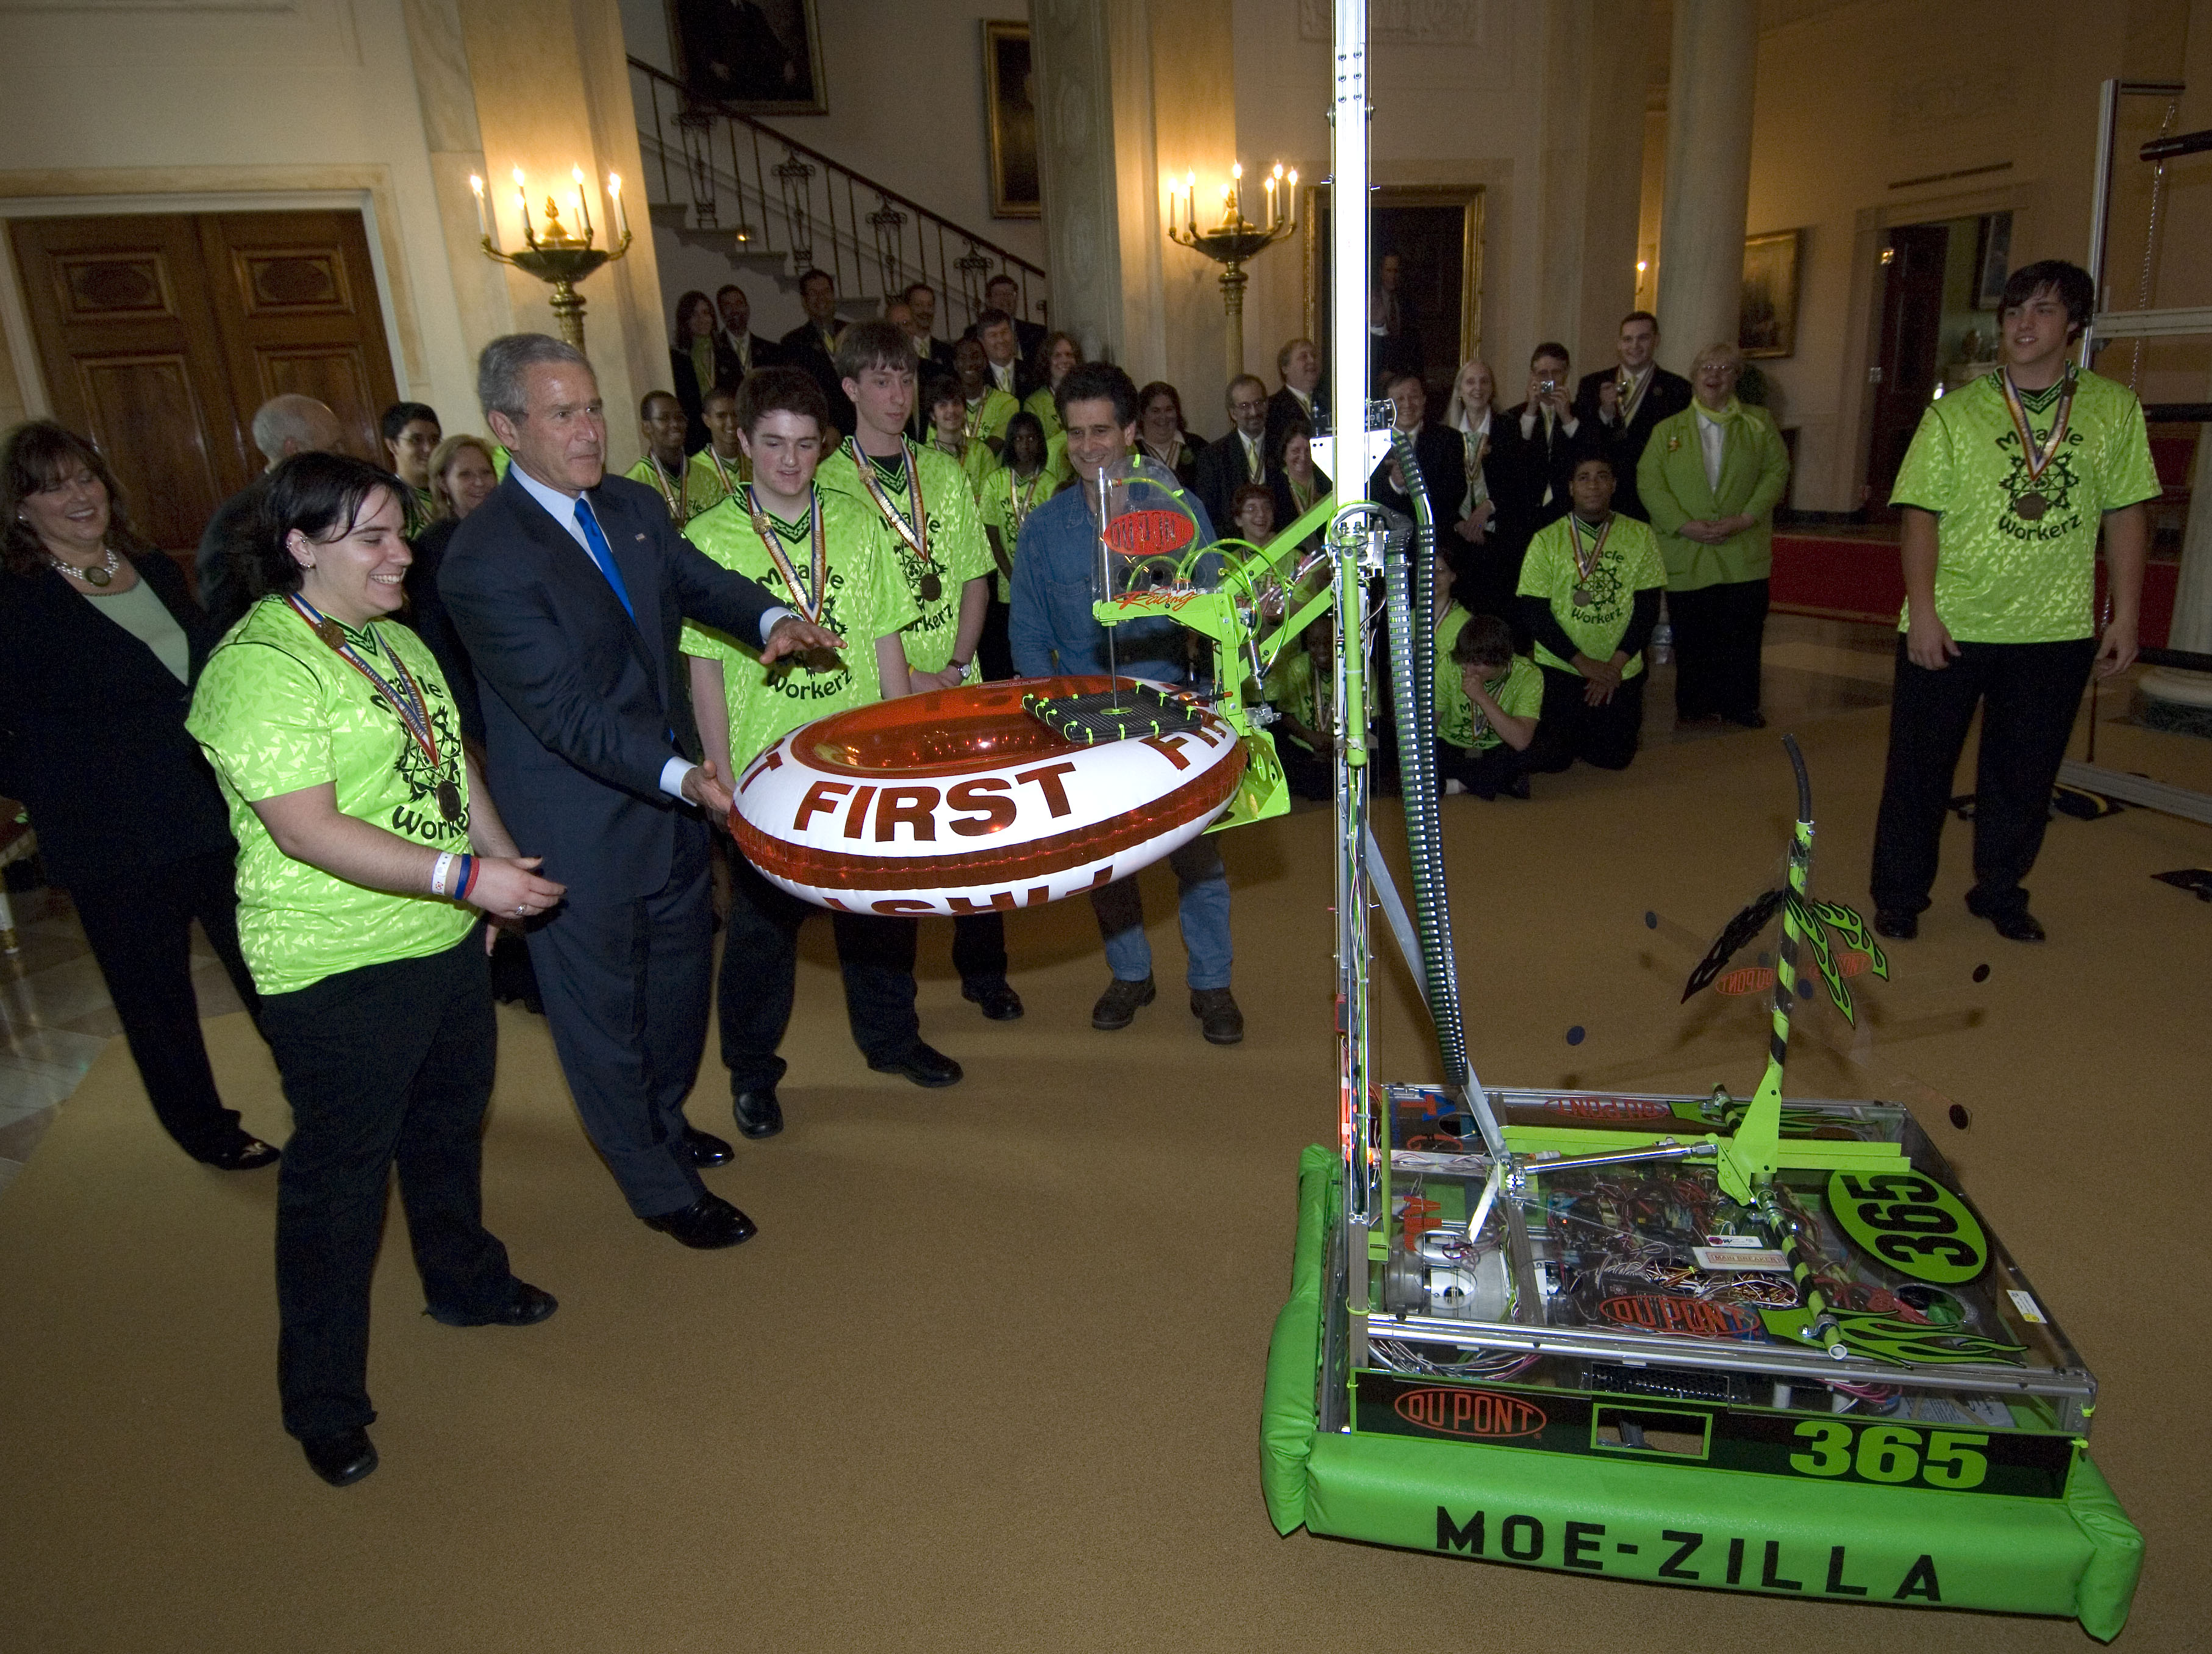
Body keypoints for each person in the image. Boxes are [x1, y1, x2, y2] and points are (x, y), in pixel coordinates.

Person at [186, 451, 564, 1488]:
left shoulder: (393, 639)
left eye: (401, 532)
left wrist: (500, 866)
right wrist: (465, 879)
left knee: (448, 1126)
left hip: (440, 940)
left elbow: (448, 766)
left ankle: (463, 1280)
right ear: (301, 548)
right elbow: (307, 830)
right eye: (374, 539)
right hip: (333, 964)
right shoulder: (257, 667)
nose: (403, 554)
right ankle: (322, 1398)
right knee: (339, 1182)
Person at [438, 333, 840, 1249]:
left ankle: (662, 1121)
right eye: (562, 414)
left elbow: (701, 584)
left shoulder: (630, 506)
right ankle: (655, 1184)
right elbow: (565, 714)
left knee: (674, 990)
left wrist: (776, 615)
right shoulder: (483, 558)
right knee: (601, 1018)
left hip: (667, 807)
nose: (589, 430)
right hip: (578, 822)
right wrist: (683, 777)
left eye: (593, 408)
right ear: (505, 427)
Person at [0, 420, 276, 1170]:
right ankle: (207, 1131)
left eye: (85, 477)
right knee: (157, 1003)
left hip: (205, 813)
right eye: (53, 486)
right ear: (21, 507)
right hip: (109, 841)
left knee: (266, 964)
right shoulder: (14, 597)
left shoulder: (149, 564)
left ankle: (325, 1089)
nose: (78, 496)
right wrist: (63, 787)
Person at [1870, 259, 2153, 945]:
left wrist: (2126, 615)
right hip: (1954, 621)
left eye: (2043, 311)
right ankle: (1900, 894)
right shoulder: (1954, 413)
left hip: (2053, 627)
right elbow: (1918, 518)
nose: (2023, 325)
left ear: (2074, 327)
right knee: (1919, 770)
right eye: (2014, 311)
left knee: (2023, 775)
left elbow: (2125, 516)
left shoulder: (2114, 409)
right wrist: (1924, 611)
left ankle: (1999, 890)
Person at [682, 366, 929, 1135]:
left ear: (824, 443)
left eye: (804, 444)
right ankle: (753, 1072)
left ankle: (891, 1038)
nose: (790, 461)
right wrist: (719, 776)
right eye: (772, 444)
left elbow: (887, 641)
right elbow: (704, 667)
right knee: (762, 935)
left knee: (880, 912)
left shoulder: (856, 522)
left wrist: (904, 744)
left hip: (859, 760)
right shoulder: (705, 539)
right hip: (766, 772)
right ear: (741, 442)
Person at [1008, 362, 1243, 1044]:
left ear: (1132, 432)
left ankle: (1212, 983)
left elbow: (1217, 596)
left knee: (1197, 857)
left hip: (1171, 705)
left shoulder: (1173, 509)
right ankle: (1131, 973)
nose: (1088, 446)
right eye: (1075, 433)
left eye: (1102, 431)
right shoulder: (1044, 528)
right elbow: (1027, 628)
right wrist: (1047, 713)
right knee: (1106, 859)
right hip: (1085, 714)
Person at [819, 321, 1020, 1026]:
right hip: (879, 689)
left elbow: (971, 575)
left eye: (905, 378)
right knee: (890, 854)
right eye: (879, 379)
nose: (897, 393)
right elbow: (838, 609)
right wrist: (907, 673)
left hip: (956, 679)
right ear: (849, 387)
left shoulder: (942, 470)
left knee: (978, 834)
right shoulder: (826, 484)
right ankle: (889, 1014)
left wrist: (957, 664)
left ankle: (985, 972)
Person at [1638, 341, 1791, 729]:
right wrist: (1684, 524)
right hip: (1687, 550)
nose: (1714, 375)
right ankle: (1694, 703)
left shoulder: (1759, 423)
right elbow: (1650, 484)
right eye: (1706, 367)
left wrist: (1745, 518)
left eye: (1724, 368)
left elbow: (1776, 474)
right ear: (1694, 376)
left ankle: (1741, 704)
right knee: (1692, 634)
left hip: (1742, 549)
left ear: (1736, 377)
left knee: (1742, 631)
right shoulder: (1666, 430)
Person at [1517, 454, 1665, 774]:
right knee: (1554, 760)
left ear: (1613, 485)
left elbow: (1647, 610)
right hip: (1563, 667)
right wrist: (1584, 665)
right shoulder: (1546, 540)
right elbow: (1535, 612)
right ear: (1570, 487)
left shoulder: (1641, 535)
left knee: (1613, 758)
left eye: (1602, 476)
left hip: (1619, 668)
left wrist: (1612, 667)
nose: (1593, 485)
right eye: (1583, 477)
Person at [198, 393, 345, 631]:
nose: (342, 455)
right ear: (294, 449)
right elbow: (229, 609)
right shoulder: (239, 519)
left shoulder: (341, 499)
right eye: (333, 447)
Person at [403, 434, 501, 746]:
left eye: (486, 473)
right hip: (467, 692)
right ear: (443, 484)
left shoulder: (501, 534)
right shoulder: (435, 545)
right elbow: (438, 636)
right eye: (466, 475)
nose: (480, 483)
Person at [1486, 343, 1586, 617]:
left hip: (1563, 514)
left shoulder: (1580, 415)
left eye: (1555, 373)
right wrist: (1530, 410)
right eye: (1542, 373)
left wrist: (1566, 417)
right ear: (1532, 375)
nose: (1548, 380)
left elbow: (1586, 457)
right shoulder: (1512, 417)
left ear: (1566, 374)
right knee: (1521, 595)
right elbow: (1510, 465)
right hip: (1521, 519)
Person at [1573, 310, 1692, 523]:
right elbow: (1582, 442)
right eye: (1628, 339)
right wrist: (1605, 413)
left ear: (1657, 341)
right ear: (1619, 344)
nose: (1634, 346)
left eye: (1643, 338)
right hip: (1602, 496)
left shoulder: (1678, 389)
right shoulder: (1591, 384)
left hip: (1651, 498)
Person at [978, 409, 1054, 680]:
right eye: (1019, 439)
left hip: (1040, 584)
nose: (1025, 445)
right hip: (1004, 584)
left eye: (1032, 438)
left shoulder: (1049, 484)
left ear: (1041, 442)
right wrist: (1011, 573)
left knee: (1035, 648)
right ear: (1010, 442)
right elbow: (991, 533)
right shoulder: (995, 481)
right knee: (1005, 650)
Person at [1438, 610, 1541, 801]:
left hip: (1496, 747)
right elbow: (1428, 728)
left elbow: (1520, 740)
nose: (1467, 670)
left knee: (1533, 752)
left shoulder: (1528, 674)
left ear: (1500, 662)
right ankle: (1487, 783)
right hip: (1452, 745)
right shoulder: (1449, 665)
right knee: (1408, 753)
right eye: (1465, 661)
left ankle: (1451, 784)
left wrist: (1481, 696)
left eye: (1476, 664)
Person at [1442, 358, 1510, 617]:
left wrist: (1488, 508)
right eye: (1470, 382)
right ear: (1459, 390)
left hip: (1496, 536)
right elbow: (1439, 488)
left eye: (1484, 381)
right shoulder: (1445, 433)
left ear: (1492, 389)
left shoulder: (1507, 428)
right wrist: (1460, 523)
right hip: (1457, 538)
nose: (1477, 388)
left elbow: (1517, 483)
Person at [1368, 371, 1466, 539]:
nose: (1407, 404)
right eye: (1399, 399)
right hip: (1383, 545)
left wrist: (1416, 482)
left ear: (1424, 400)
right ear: (1386, 406)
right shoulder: (1369, 444)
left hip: (1436, 542)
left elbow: (1455, 495)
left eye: (1414, 397)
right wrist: (1394, 484)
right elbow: (1366, 501)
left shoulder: (1449, 439)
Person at [1262, 617, 1333, 803]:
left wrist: (1338, 744)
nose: (1322, 650)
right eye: (1315, 644)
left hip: (1344, 747)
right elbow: (1285, 715)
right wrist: (1311, 737)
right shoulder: (1296, 667)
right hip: (1306, 746)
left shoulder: (1357, 666)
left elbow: (1371, 719)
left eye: (1328, 642)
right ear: (1307, 644)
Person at [780, 268, 854, 437]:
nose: (821, 298)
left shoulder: (853, 333)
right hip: (823, 433)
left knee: (865, 466)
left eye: (826, 292)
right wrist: (823, 425)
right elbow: (798, 394)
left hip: (860, 431)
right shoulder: (793, 343)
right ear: (804, 301)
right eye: (814, 293)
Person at [1195, 374, 1272, 529]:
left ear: (1266, 404)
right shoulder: (1213, 456)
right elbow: (1209, 516)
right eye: (1244, 406)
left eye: (1258, 403)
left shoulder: (1283, 447)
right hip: (1232, 548)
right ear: (1232, 413)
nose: (1253, 412)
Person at [670, 290, 738, 455]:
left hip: (728, 430)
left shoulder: (726, 352)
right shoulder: (677, 358)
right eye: (694, 315)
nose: (702, 320)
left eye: (706, 313)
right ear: (685, 321)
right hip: (695, 437)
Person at [626, 390, 704, 528]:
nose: (675, 424)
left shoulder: (707, 477)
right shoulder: (633, 484)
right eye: (664, 418)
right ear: (646, 426)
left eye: (679, 418)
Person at [380, 402, 441, 537]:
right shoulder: (388, 500)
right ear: (392, 445)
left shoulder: (450, 492)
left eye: (434, 440)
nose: (428, 449)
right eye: (416, 440)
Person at [687, 383, 750, 512]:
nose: (731, 423)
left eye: (735, 415)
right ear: (706, 420)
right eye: (721, 416)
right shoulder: (694, 468)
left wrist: (763, 531)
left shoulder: (756, 459)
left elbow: (765, 508)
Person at [954, 335, 1019, 458]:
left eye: (975, 357)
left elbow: (992, 449)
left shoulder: (1007, 403)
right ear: (956, 365)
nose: (969, 363)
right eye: (963, 358)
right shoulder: (945, 405)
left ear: (985, 362)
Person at [1266, 421, 1331, 540]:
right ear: (1284, 454)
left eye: (1308, 450)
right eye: (1296, 451)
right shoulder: (1273, 488)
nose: (1303, 457)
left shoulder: (1328, 481)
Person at [1369, 251, 1422, 388]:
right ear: (1381, 272)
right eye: (1388, 271)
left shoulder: (1408, 303)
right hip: (1375, 378)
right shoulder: (1371, 302)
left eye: (1396, 271)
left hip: (1402, 378)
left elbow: (1413, 345)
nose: (1392, 276)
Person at [1136, 382, 1203, 488]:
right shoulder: (1130, 450)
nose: (1163, 417)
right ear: (1143, 415)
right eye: (1155, 411)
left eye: (1169, 410)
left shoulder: (1198, 446)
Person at [1267, 337, 1324, 451]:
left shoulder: (1332, 402)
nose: (1312, 361)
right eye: (1304, 357)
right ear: (1285, 368)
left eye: (1314, 356)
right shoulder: (1271, 408)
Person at [714, 283, 779, 379]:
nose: (734, 310)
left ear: (748, 308)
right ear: (721, 313)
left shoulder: (772, 351)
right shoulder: (713, 351)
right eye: (728, 306)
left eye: (739, 304)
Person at [1024, 331, 1082, 439]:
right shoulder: (1034, 404)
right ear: (1047, 361)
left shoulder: (1087, 396)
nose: (1065, 360)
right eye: (1057, 355)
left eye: (1069, 355)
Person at [979, 273, 1046, 363]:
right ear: (988, 301)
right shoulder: (974, 333)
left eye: (1010, 294)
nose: (1005, 298)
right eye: (999, 294)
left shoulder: (1038, 332)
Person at [898, 282, 957, 376]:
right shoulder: (899, 350)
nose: (925, 311)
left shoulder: (947, 351)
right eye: (919, 305)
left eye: (929, 305)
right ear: (907, 308)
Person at [974, 307, 1031, 402]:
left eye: (1004, 332)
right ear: (982, 342)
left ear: (1013, 334)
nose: (1001, 340)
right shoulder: (977, 378)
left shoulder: (1031, 372)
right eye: (993, 335)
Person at [1229, 481, 1275, 545]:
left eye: (1266, 507)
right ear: (1238, 520)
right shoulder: (1230, 555)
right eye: (1251, 509)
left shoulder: (1291, 554)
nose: (1261, 514)